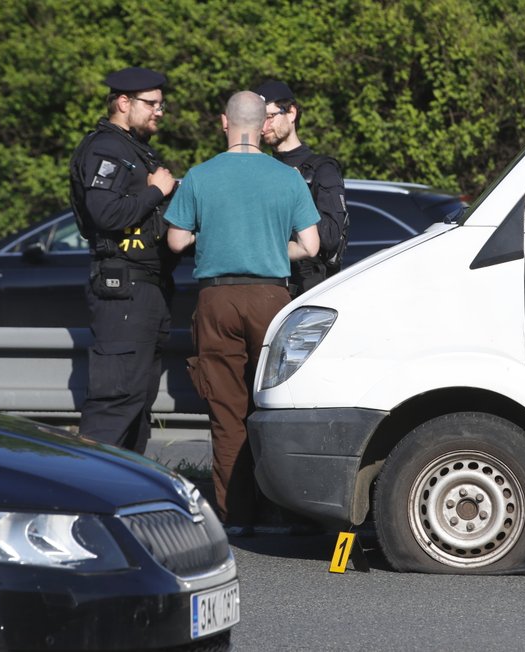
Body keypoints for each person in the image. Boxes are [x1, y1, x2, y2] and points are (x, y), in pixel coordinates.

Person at [164, 90, 320, 534]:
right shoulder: (287, 177)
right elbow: (311, 245)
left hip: (217, 300)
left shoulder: (200, 176)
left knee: (228, 412)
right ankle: (290, 513)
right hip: (272, 299)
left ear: (223, 123)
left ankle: (237, 518)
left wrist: (211, 237)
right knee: (275, 406)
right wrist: (271, 248)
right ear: (262, 125)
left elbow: (176, 241)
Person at [68, 66, 179, 454]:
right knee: (115, 403)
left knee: (136, 404)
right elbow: (105, 214)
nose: (159, 112)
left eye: (161, 105)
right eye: (152, 104)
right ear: (123, 102)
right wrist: (156, 192)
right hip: (123, 291)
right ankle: (85, 497)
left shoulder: (133, 148)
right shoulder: (106, 149)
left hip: (145, 290)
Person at [255, 79, 348, 297]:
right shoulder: (259, 169)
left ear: (292, 113)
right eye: (259, 120)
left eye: (269, 117)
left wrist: (298, 192)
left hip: (307, 292)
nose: (263, 127)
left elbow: (331, 238)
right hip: (264, 291)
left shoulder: (322, 170)